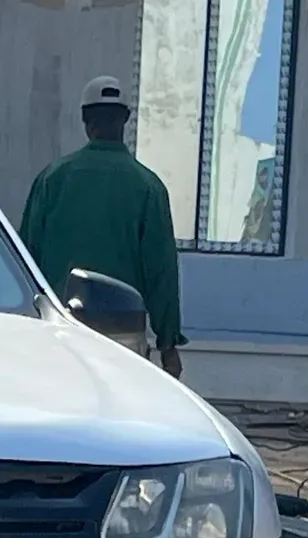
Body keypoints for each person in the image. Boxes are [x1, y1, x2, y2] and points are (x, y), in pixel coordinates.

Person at [19, 76, 186, 378]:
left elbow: (25, 259)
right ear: (125, 120)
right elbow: (161, 272)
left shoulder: (52, 179)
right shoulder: (148, 187)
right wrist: (168, 343)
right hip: (123, 337)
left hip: (60, 331)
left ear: (85, 120)